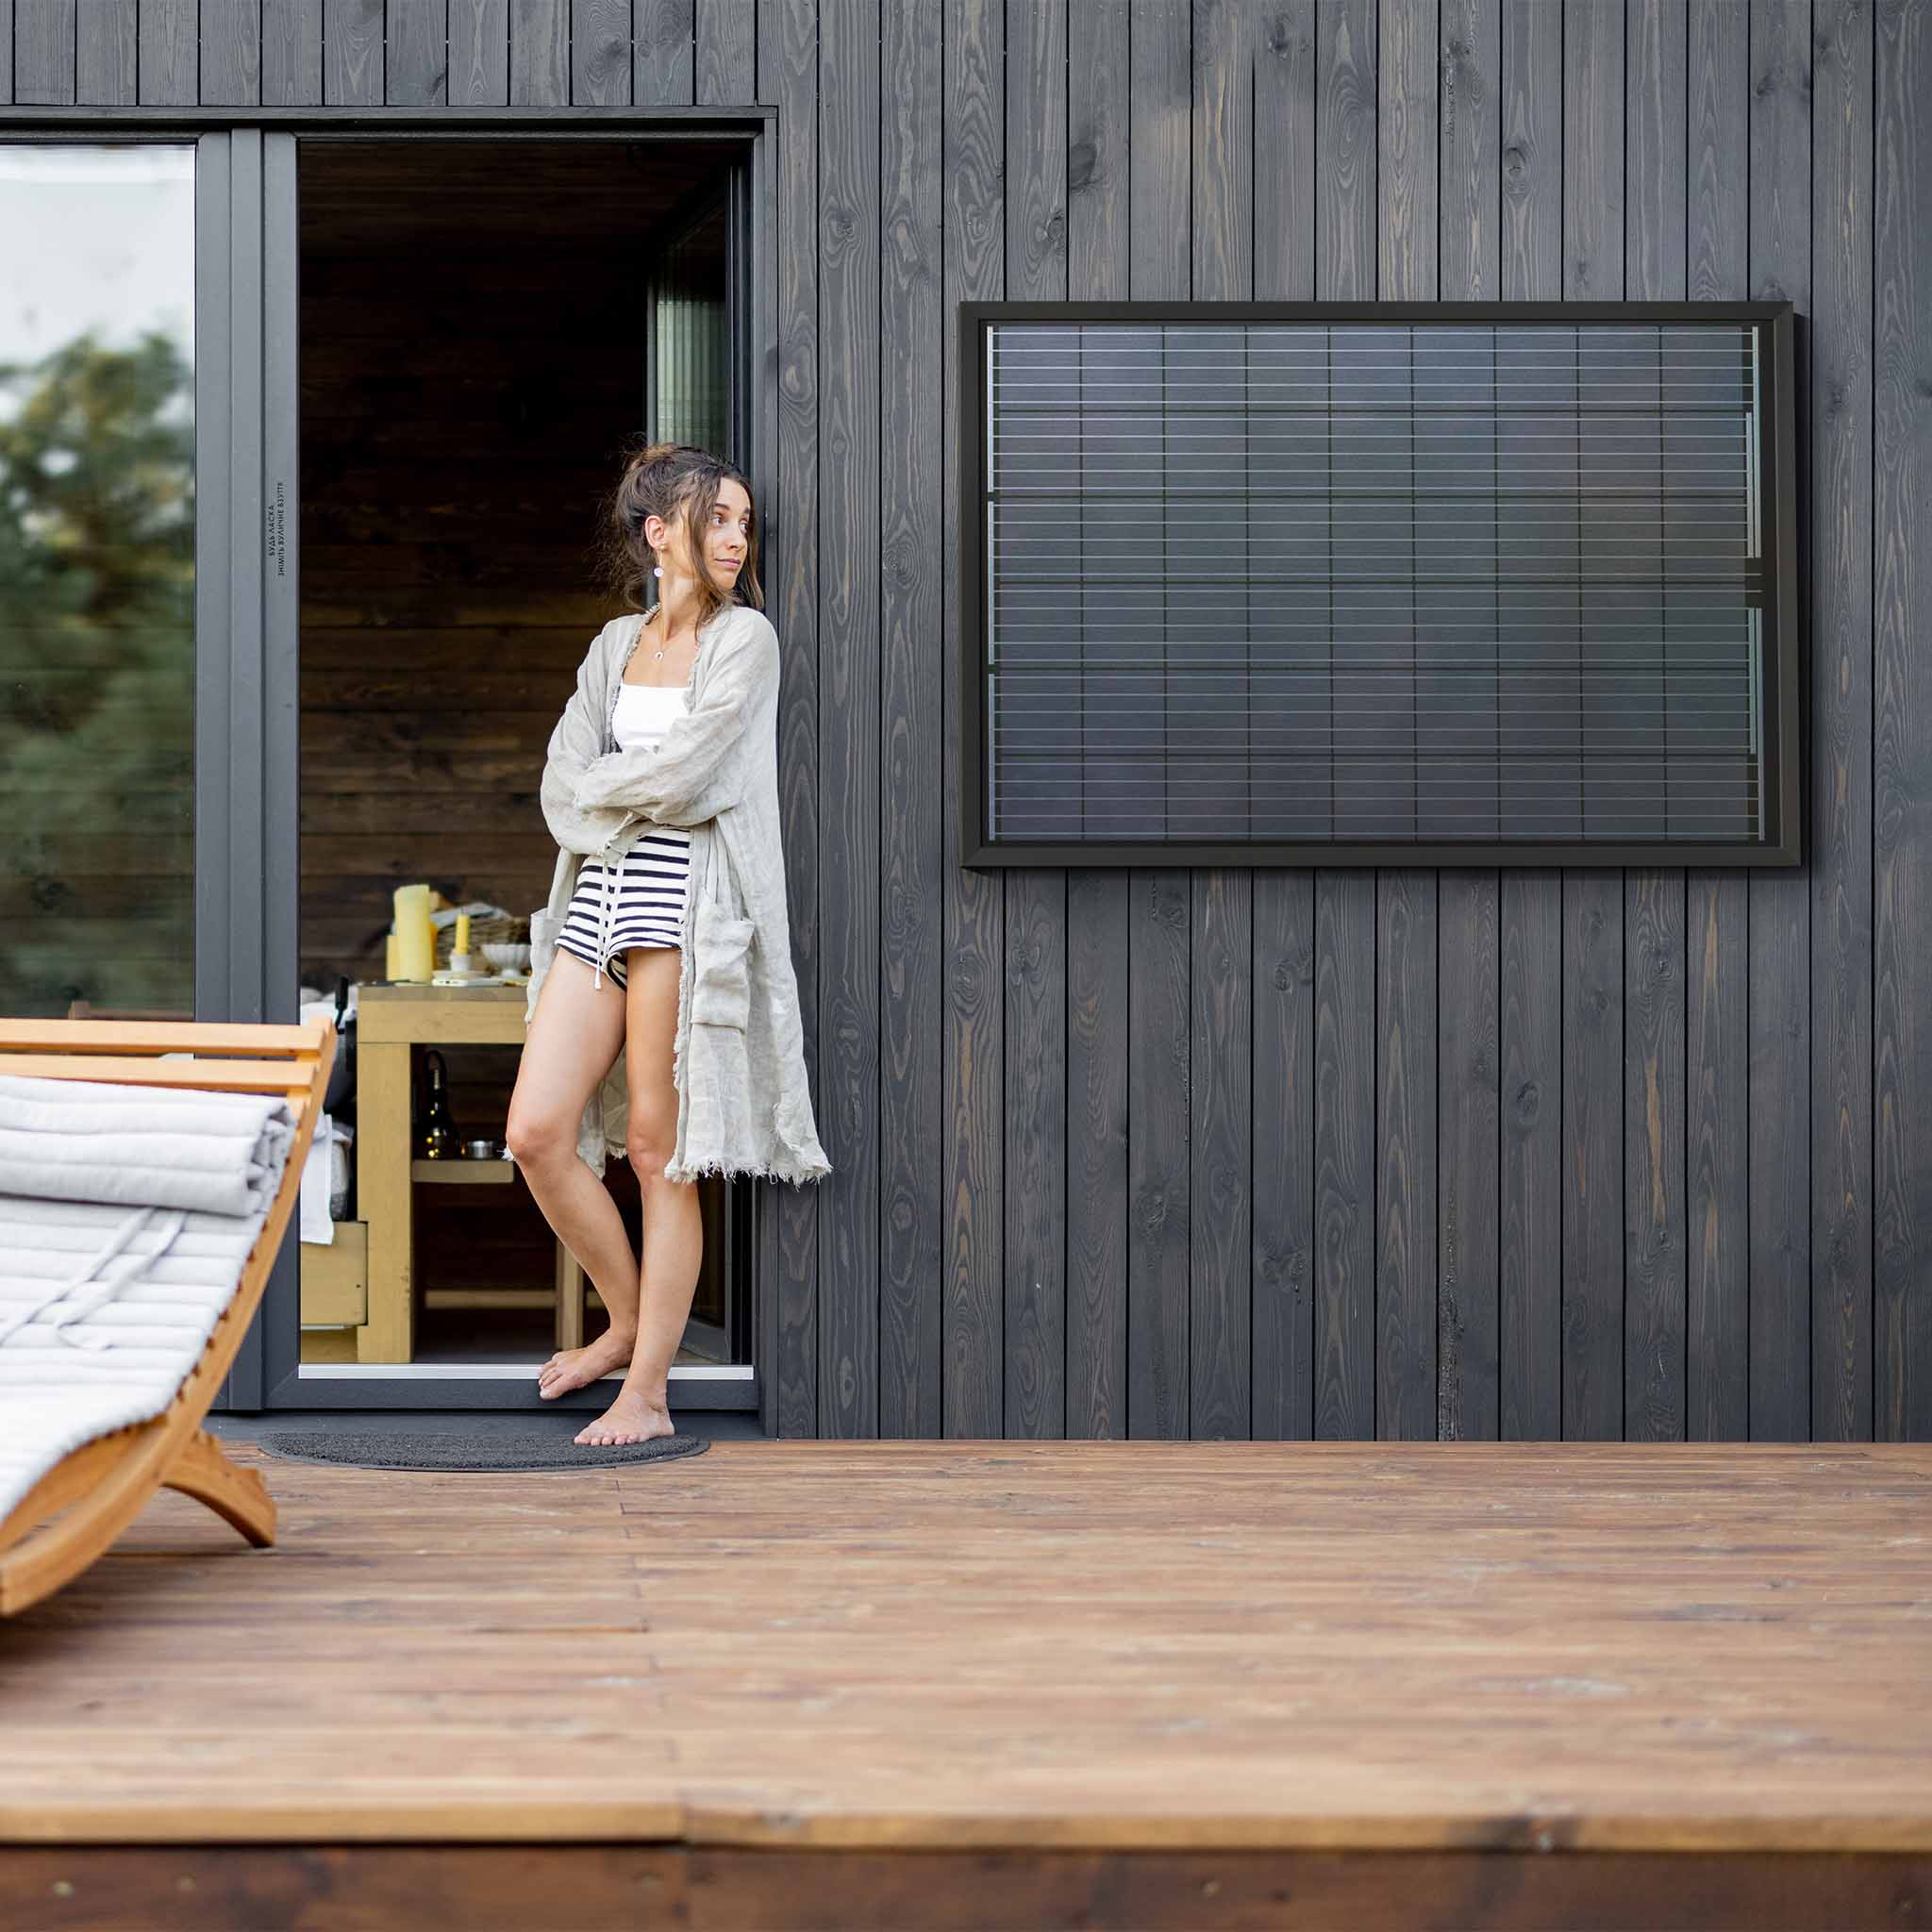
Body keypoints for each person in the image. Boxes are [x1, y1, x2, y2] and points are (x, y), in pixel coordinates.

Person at [505, 441, 767, 1449]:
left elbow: (691, 775)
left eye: (743, 522)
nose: (736, 538)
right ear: (661, 533)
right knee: (535, 1131)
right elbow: (556, 779)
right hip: (597, 904)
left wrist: (609, 788)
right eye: (718, 519)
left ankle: (647, 1390)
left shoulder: (744, 642)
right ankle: (622, 1319)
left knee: (660, 1152)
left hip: (680, 909)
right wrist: (619, 787)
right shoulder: (612, 646)